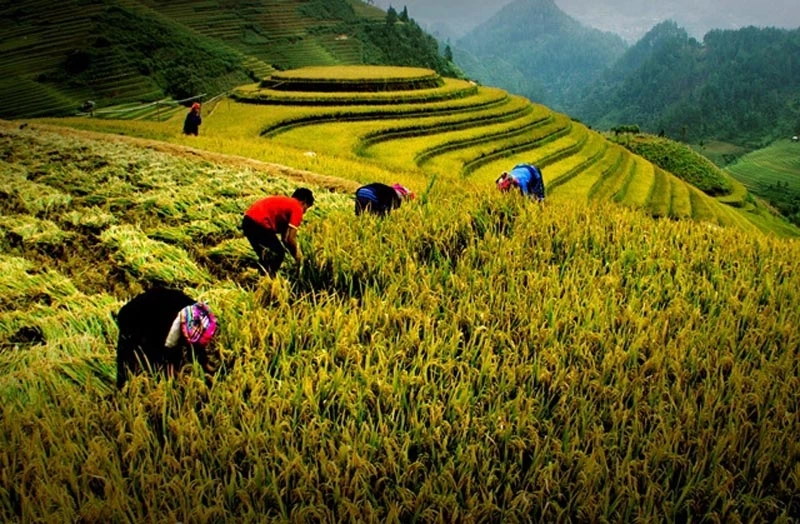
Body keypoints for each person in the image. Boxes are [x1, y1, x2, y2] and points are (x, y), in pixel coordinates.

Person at [116, 287, 217, 389]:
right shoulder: (165, 327)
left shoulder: (196, 313)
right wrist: (172, 377)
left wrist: (203, 363)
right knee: (140, 363)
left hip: (157, 307)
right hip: (133, 319)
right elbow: (168, 350)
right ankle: (124, 387)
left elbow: (195, 341)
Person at [241, 188, 315, 275]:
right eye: (306, 208)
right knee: (278, 254)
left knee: (266, 256)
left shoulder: (286, 205)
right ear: (304, 202)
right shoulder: (297, 207)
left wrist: (294, 255)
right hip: (259, 224)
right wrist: (298, 257)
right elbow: (291, 239)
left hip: (248, 222)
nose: (304, 212)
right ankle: (269, 280)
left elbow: (285, 239)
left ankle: (259, 278)